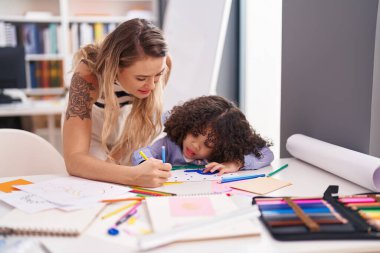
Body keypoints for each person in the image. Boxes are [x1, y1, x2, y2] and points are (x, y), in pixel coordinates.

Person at [62, 18, 172, 188]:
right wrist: (132, 175)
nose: (151, 86)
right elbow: (75, 160)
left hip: (132, 133)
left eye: (158, 75)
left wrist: (127, 166)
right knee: (96, 186)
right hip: (95, 134)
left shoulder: (161, 62)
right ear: (115, 68)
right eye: (141, 78)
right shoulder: (87, 77)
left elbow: (139, 128)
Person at [132, 95, 274, 175]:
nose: (195, 145)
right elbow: (142, 153)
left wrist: (235, 163)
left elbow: (266, 154)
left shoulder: (222, 155)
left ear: (222, 147)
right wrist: (147, 163)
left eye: (208, 144)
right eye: (194, 134)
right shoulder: (170, 144)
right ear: (187, 125)